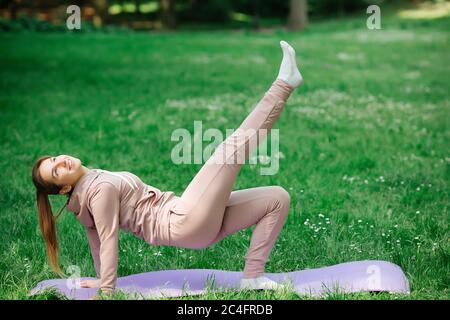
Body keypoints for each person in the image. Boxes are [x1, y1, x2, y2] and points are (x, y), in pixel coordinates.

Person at [31, 40, 303, 296]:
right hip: (183, 220)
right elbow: (107, 239)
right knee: (229, 151)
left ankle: (253, 276)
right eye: (56, 172)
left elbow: (96, 242)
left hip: (191, 221)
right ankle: (283, 85)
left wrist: (103, 280)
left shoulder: (91, 188)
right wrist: (107, 292)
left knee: (276, 198)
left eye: (55, 159)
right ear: (65, 187)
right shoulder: (98, 190)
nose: (61, 162)